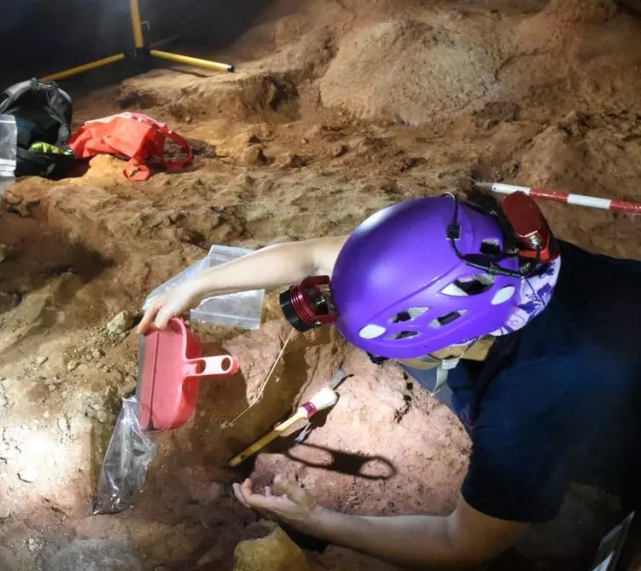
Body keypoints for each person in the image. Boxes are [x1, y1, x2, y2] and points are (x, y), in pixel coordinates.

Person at [139, 194, 641, 568]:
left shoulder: (522, 413)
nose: (380, 359)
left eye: (387, 350)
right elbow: (313, 256)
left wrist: (316, 520)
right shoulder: (497, 252)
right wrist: (198, 284)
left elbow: (461, 544)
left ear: (451, 342)